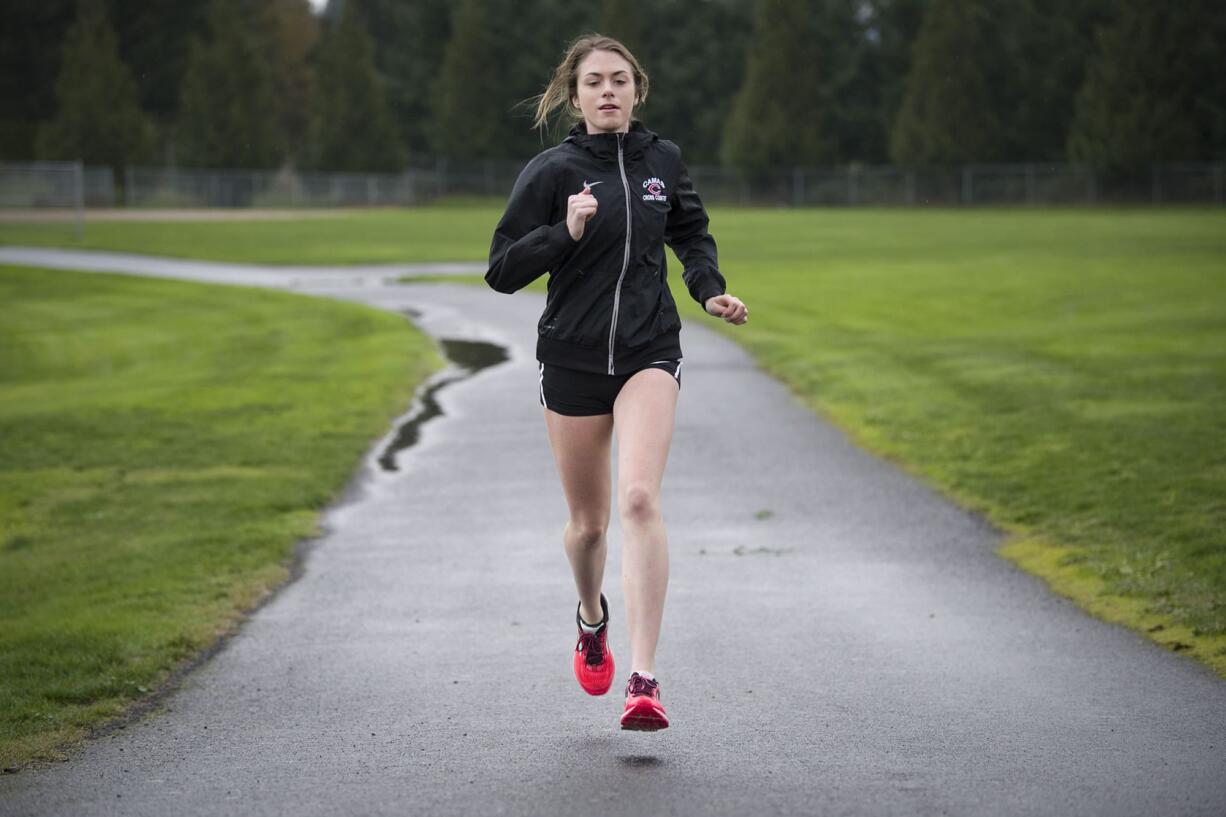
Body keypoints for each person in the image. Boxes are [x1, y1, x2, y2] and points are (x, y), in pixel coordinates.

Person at [485, 33, 748, 732]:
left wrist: (708, 288)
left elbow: (692, 234)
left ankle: (645, 677)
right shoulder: (551, 171)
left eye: (620, 81)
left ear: (637, 91)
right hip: (570, 360)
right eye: (595, 82)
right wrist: (563, 235)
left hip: (647, 350)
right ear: (575, 97)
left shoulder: (663, 161)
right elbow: (501, 268)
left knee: (638, 499)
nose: (609, 91)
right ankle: (591, 617)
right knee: (587, 525)